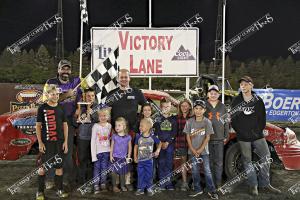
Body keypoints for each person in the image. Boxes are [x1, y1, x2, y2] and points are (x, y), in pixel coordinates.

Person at [231, 76, 281, 196]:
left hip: (257, 136)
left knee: (266, 157)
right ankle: (253, 185)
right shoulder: (236, 100)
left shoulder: (258, 100)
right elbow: (233, 119)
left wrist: (257, 132)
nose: (243, 86)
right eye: (241, 84)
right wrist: (241, 132)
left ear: (251, 85)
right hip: (243, 137)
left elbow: (262, 119)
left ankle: (265, 184)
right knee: (247, 161)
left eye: (246, 84)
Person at [43, 59, 82, 188]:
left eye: (68, 69)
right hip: (53, 121)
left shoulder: (76, 82)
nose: (65, 71)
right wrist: (65, 95)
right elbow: (46, 101)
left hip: (69, 122)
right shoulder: (51, 82)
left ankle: (65, 179)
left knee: (67, 151)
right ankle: (49, 179)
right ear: (58, 70)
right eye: (63, 68)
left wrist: (78, 108)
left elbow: (80, 99)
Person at [107, 68, 146, 190]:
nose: (123, 79)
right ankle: (117, 182)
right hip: (116, 131)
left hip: (132, 130)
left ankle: (127, 181)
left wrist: (142, 124)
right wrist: (110, 128)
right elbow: (107, 111)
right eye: (121, 77)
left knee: (129, 155)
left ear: (130, 78)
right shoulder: (112, 93)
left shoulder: (136, 92)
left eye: (126, 77)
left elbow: (145, 107)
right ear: (118, 79)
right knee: (117, 155)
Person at [36, 84, 69, 199]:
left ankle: (59, 189)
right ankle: (40, 191)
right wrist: (40, 142)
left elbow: (65, 125)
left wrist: (65, 141)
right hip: (46, 143)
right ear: (47, 95)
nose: (55, 96)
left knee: (59, 167)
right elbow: (38, 126)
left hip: (59, 143)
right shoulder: (42, 108)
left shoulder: (61, 108)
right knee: (42, 168)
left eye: (57, 94)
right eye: (53, 94)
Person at [184, 99, 218, 199]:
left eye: (200, 109)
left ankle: (212, 190)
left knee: (207, 171)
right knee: (194, 170)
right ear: (193, 109)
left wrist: (200, 149)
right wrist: (193, 149)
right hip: (192, 151)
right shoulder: (189, 122)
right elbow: (187, 137)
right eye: (196, 108)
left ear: (204, 110)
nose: (198, 111)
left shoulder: (207, 122)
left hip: (204, 152)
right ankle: (197, 189)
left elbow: (207, 137)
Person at [205, 85, 229, 188]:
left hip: (219, 138)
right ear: (208, 94)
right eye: (211, 93)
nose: (213, 95)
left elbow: (226, 122)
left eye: (215, 93)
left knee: (219, 162)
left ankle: (218, 183)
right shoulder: (204, 105)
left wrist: (226, 135)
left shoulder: (223, 106)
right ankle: (210, 184)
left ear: (218, 95)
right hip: (208, 138)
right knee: (209, 162)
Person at [75, 88, 98, 191]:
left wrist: (92, 113)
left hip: (95, 138)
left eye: (92, 95)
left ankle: (91, 182)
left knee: (93, 160)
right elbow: (75, 122)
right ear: (84, 96)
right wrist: (77, 114)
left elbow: (102, 119)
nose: (90, 98)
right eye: (88, 96)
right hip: (82, 138)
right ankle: (82, 182)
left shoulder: (98, 107)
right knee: (82, 159)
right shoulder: (80, 107)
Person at [153, 98, 177, 190]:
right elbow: (155, 132)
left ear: (170, 107)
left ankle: (169, 183)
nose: (166, 108)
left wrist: (167, 142)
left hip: (169, 145)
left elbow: (174, 132)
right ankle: (162, 183)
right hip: (160, 145)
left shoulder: (173, 118)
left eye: (168, 106)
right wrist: (160, 142)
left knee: (169, 164)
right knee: (161, 163)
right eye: (164, 107)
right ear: (161, 107)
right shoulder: (158, 119)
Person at [134, 118, 162, 196]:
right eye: (140, 126)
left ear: (149, 126)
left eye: (142, 126)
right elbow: (135, 147)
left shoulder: (152, 137)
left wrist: (157, 151)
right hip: (140, 161)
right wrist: (135, 157)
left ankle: (149, 188)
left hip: (149, 160)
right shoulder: (138, 137)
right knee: (140, 174)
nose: (140, 127)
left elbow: (160, 143)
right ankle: (140, 188)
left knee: (149, 174)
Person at [91, 108, 112, 194]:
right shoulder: (95, 126)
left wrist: (111, 151)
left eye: (104, 116)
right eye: (101, 116)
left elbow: (109, 138)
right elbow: (93, 140)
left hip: (106, 151)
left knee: (104, 168)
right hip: (98, 152)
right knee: (97, 169)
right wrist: (93, 155)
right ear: (98, 117)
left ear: (108, 117)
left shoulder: (109, 126)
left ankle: (103, 183)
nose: (103, 117)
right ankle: (96, 184)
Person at [110, 117, 132, 192]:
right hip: (115, 157)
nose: (117, 127)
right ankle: (114, 186)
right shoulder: (114, 136)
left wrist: (129, 156)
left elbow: (130, 147)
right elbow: (112, 146)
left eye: (119, 125)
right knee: (113, 172)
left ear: (124, 126)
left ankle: (122, 185)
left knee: (122, 172)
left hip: (123, 158)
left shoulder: (128, 137)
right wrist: (110, 155)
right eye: (116, 125)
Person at [175, 98, 193, 191]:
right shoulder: (177, 118)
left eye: (186, 105)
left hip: (192, 144)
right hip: (181, 143)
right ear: (180, 107)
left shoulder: (193, 117)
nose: (184, 107)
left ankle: (194, 182)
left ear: (190, 106)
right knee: (183, 163)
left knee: (193, 163)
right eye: (182, 106)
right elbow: (175, 132)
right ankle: (184, 183)